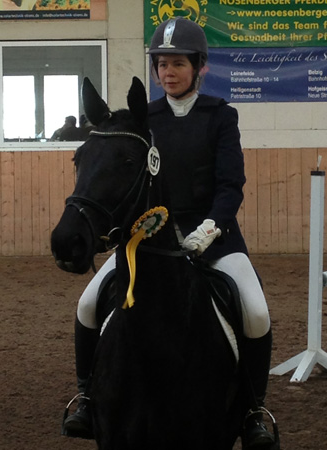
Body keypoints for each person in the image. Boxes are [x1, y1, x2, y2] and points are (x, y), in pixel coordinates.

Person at [63, 17, 275, 449]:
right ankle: (86, 397)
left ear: (200, 67)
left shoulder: (221, 117)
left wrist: (209, 228)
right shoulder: (144, 120)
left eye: (178, 63)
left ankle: (253, 410)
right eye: (161, 64)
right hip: (147, 241)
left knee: (255, 313)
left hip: (214, 237)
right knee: (88, 304)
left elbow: (230, 184)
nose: (168, 72)